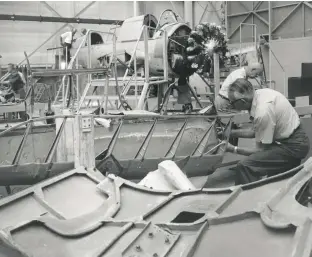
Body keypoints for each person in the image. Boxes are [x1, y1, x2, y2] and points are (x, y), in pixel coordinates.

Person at [224, 78, 310, 185]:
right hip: (291, 140)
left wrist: (232, 149)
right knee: (272, 181)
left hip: (292, 147)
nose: (231, 106)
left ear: (242, 101)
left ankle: (247, 199)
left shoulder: (263, 112)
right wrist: (229, 133)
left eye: (232, 103)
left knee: (245, 166)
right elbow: (254, 131)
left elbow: (260, 151)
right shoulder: (260, 94)